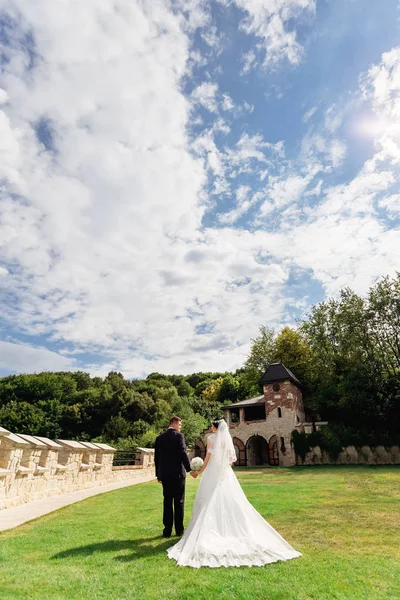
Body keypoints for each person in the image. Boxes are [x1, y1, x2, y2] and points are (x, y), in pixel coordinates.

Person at [167, 419, 302, 568]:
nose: (211, 428)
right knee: (231, 500)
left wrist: (200, 470)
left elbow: (208, 457)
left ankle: (208, 531)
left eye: (212, 426)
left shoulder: (211, 438)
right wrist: (223, 468)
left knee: (208, 500)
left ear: (214, 427)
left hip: (212, 473)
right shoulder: (227, 439)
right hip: (225, 473)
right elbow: (231, 459)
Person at [154, 416, 196, 538]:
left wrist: (158, 474)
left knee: (167, 501)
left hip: (165, 475)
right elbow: (183, 453)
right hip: (178, 475)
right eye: (180, 424)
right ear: (175, 423)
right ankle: (179, 530)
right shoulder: (179, 436)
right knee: (179, 502)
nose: (180, 427)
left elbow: (157, 459)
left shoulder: (159, 438)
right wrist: (190, 470)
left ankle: (167, 530)